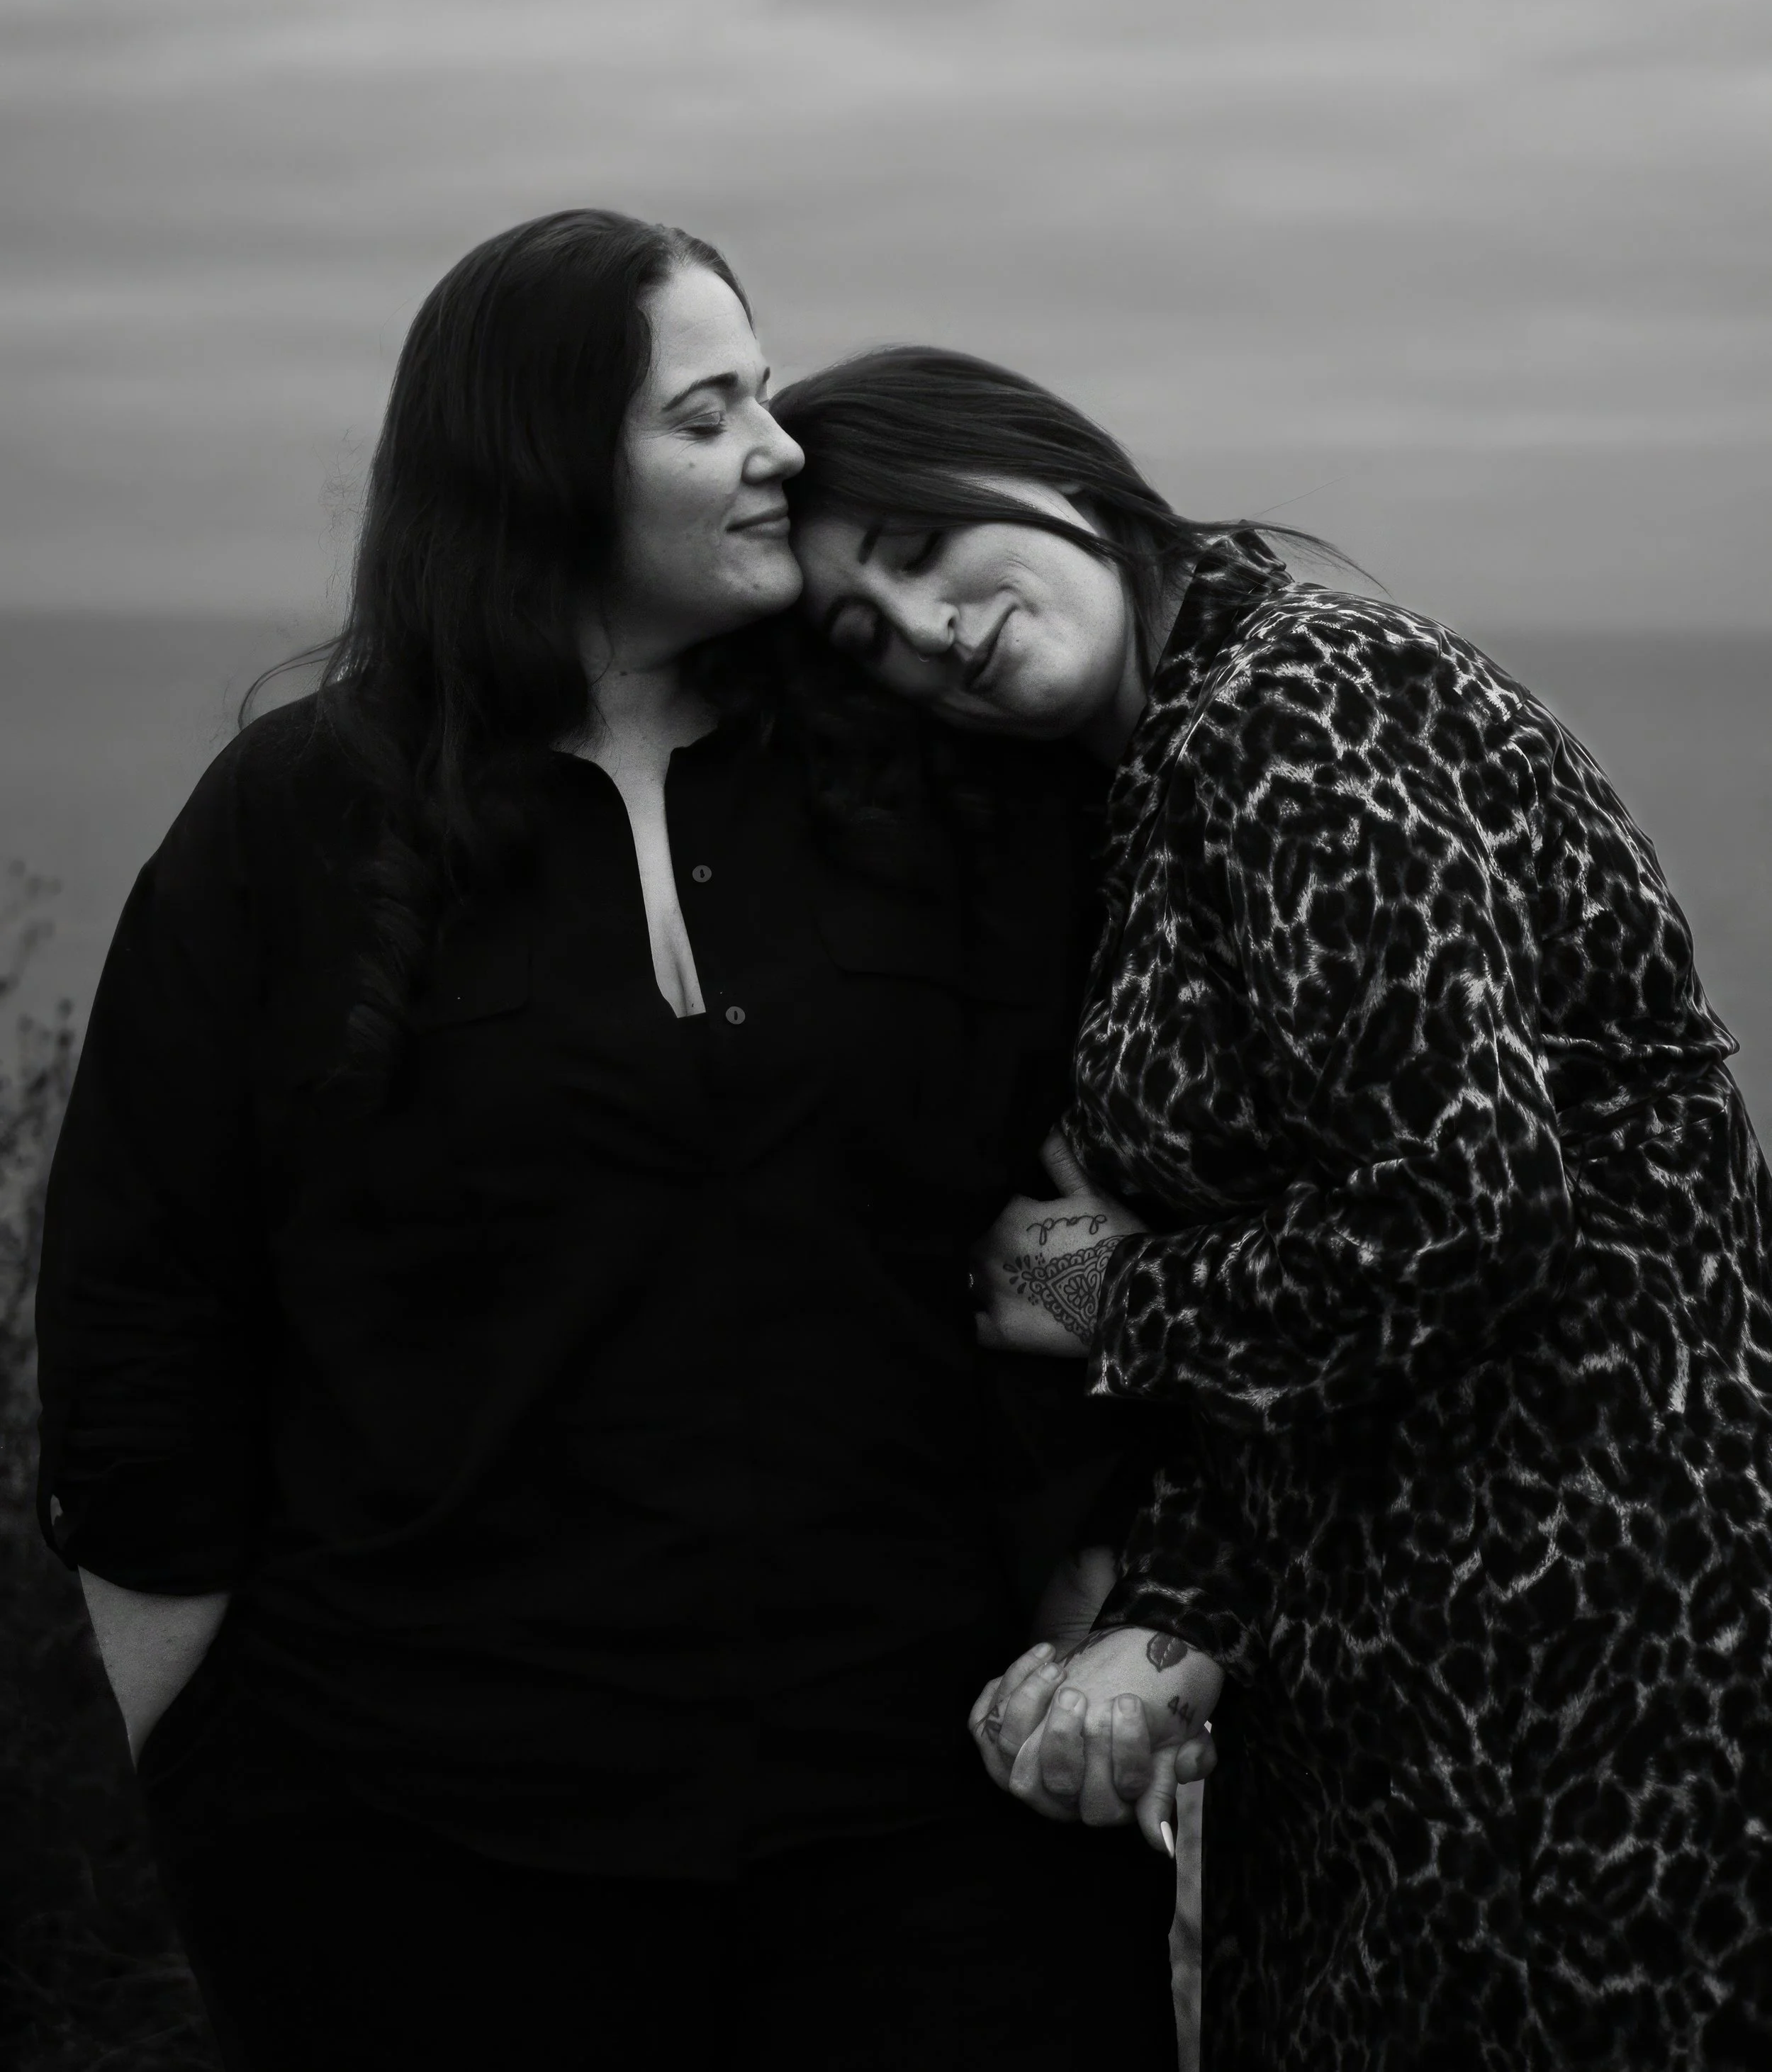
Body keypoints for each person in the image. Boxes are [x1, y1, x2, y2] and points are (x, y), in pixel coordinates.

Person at [35, 221, 1183, 2072]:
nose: (781, 447)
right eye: (706, 406)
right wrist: (192, 1779)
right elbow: (146, 1300)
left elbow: (1081, 1201)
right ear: (541, 458)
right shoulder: (293, 824)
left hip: (932, 1822)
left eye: (762, 387)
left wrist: (1095, 1491)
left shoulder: (933, 780)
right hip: (420, 1844)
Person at [781, 342, 1772, 2071]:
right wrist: (1177, 1600)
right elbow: (1319, 1265)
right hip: (1403, 1641)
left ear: (1045, 469)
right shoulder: (1159, 773)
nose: (926, 628)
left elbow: (1466, 1211)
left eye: (921, 549)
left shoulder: (1294, 705)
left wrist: (1098, 1293)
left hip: (1583, 1634)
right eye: (864, 632)